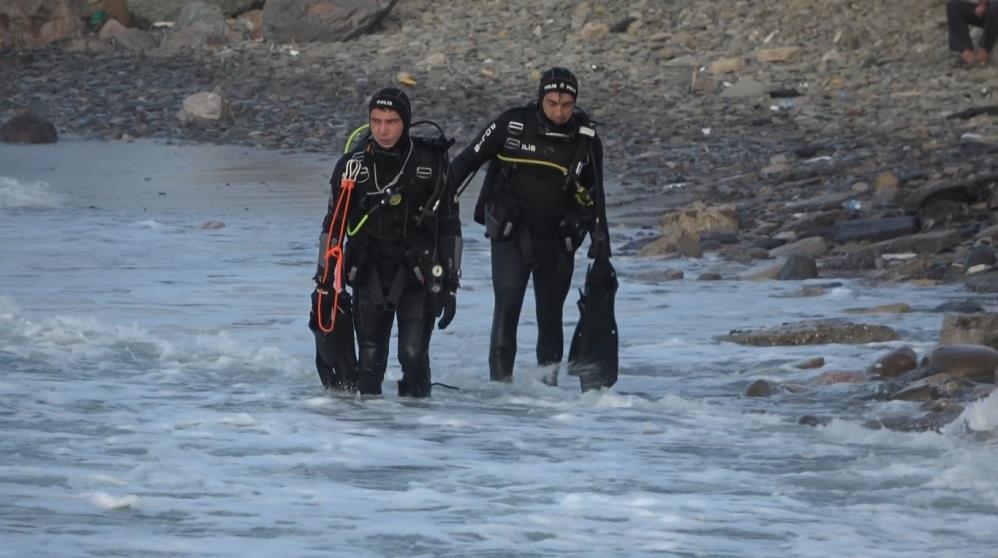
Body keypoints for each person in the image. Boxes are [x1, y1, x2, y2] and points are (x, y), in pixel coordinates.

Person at [449, 67, 611, 385]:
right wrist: (434, 202)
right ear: (540, 99)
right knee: (508, 306)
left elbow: (597, 195)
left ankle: (548, 394)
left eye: (567, 104)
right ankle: (501, 390)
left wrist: (600, 241)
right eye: (552, 103)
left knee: (550, 315)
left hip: (558, 238)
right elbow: (466, 162)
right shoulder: (511, 125)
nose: (560, 112)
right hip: (511, 233)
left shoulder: (586, 140)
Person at [309, 87, 461, 398]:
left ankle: (421, 423)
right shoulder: (351, 166)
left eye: (391, 121)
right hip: (369, 271)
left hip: (417, 271)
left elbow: (449, 225)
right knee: (369, 364)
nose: (383, 130)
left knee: (413, 355)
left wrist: (450, 283)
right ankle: (369, 428)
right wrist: (324, 282)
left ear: (406, 122)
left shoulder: (431, 162)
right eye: (376, 121)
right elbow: (333, 227)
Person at [947, 0, 998, 65]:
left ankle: (983, 55)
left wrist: (983, 5)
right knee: (953, 6)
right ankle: (969, 56)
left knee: (995, 6)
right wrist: (982, 5)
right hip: (989, 12)